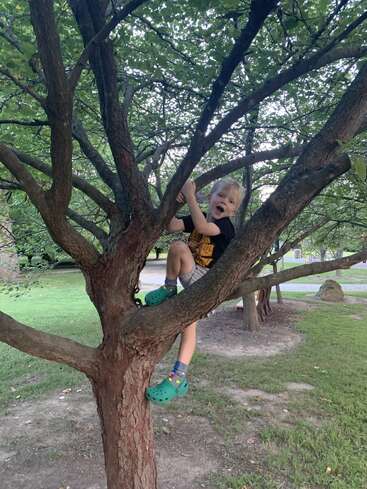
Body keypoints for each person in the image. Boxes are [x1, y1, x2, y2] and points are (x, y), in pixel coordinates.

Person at [145, 178, 244, 405]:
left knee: (189, 329)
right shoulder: (197, 218)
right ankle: (169, 288)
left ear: (234, 210)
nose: (224, 202)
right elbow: (172, 226)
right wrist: (175, 201)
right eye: (221, 196)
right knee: (177, 245)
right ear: (210, 198)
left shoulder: (225, 226)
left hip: (206, 284)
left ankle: (178, 378)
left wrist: (190, 195)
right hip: (192, 276)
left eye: (230, 202)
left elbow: (202, 228)